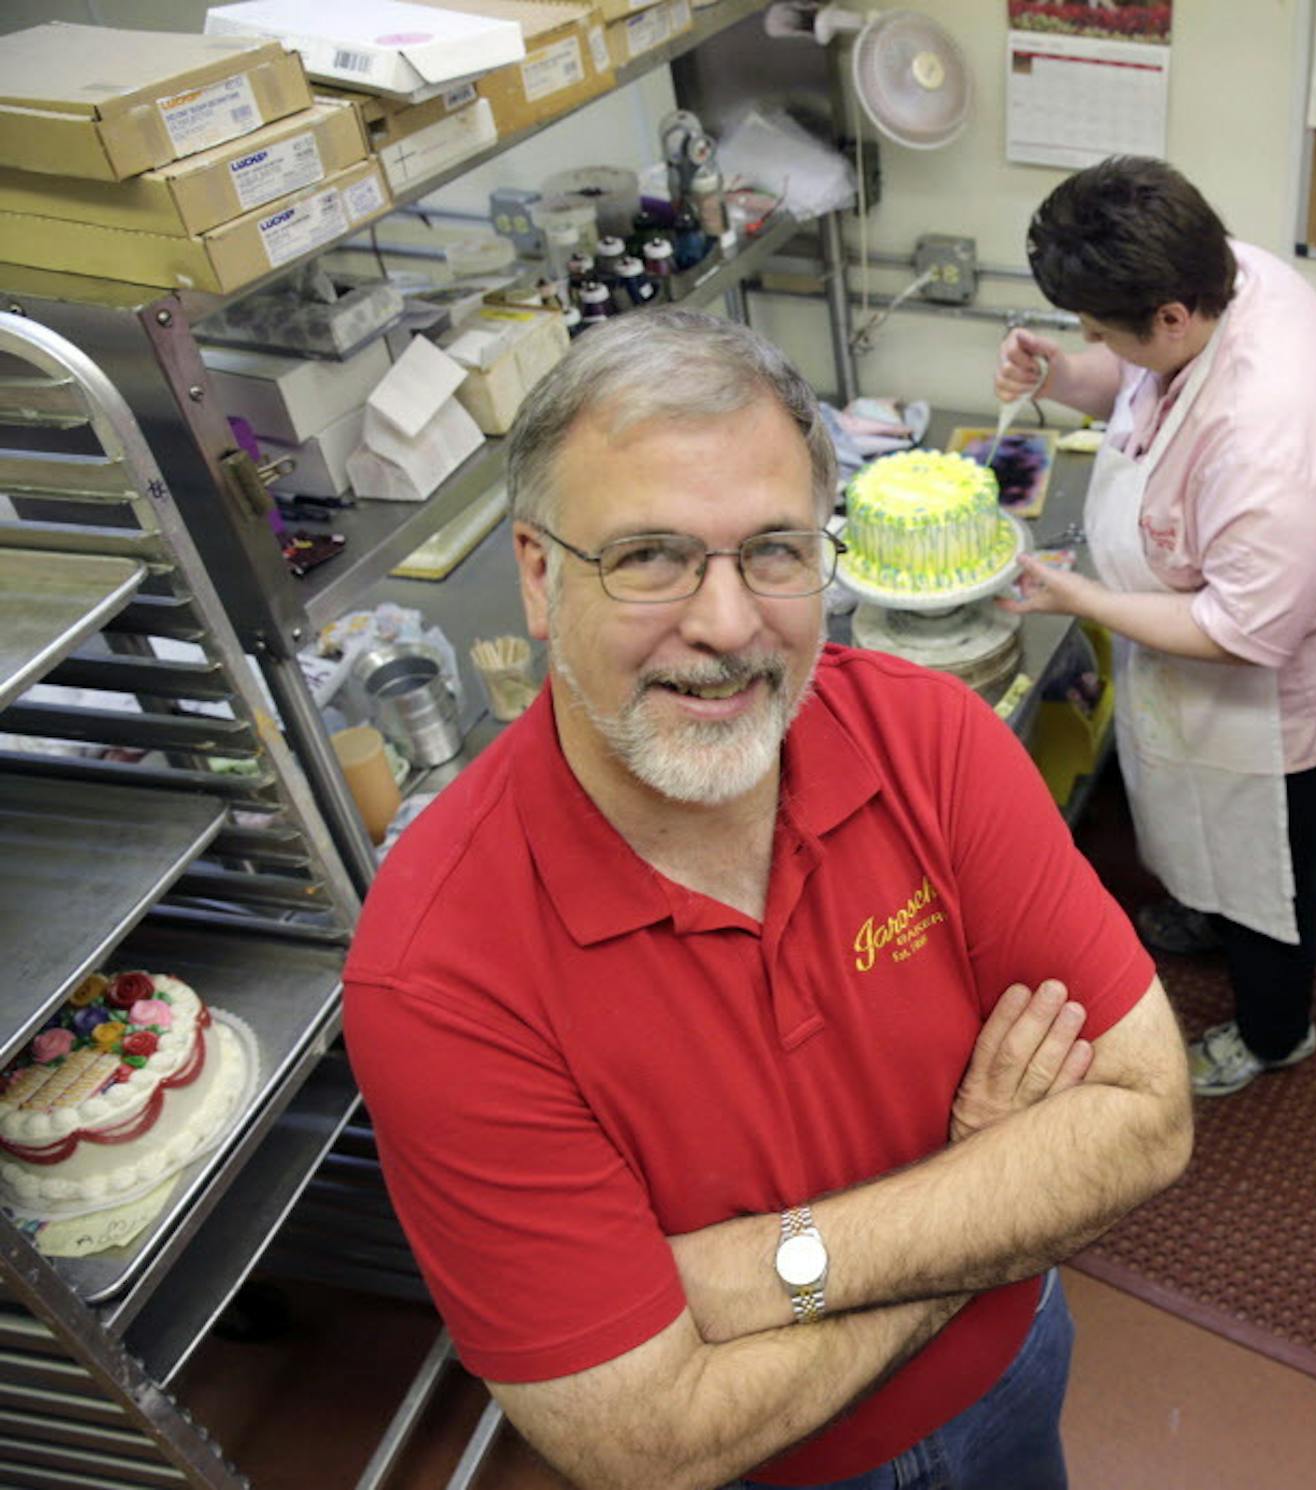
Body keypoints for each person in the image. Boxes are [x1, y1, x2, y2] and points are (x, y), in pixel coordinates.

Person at [340, 310, 1193, 1490]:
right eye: (650, 555)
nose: (729, 623)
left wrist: (748, 1272)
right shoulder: (439, 969)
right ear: (538, 576)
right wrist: (989, 1209)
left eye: (776, 551)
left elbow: (1148, 1115)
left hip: (1011, 1385)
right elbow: (646, 1435)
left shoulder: (930, 742)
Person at [997, 157, 1316, 1098]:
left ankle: (1276, 1032)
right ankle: (1213, 909)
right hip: (1251, 632)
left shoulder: (1272, 435)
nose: (1087, 339)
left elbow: (1242, 631)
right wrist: (1066, 374)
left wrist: (1082, 600)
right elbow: (1135, 380)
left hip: (1304, 688)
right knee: (1220, 847)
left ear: (1170, 317)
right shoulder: (1212, 272)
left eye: (1095, 329)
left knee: (1272, 875)